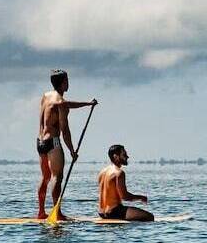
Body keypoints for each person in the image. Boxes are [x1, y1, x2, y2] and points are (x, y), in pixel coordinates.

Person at [37, 69, 97, 219]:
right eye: (67, 80)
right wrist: (72, 151)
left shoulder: (46, 96)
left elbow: (65, 104)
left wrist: (87, 104)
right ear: (63, 83)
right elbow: (65, 131)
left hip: (40, 142)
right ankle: (57, 213)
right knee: (57, 177)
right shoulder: (61, 103)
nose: (68, 82)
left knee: (45, 177)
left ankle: (41, 212)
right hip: (54, 142)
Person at [97, 144, 153, 221]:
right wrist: (141, 197)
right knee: (150, 217)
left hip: (101, 212)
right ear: (115, 156)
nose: (127, 157)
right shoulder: (119, 173)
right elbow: (125, 196)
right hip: (114, 212)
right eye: (124, 154)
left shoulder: (102, 172)